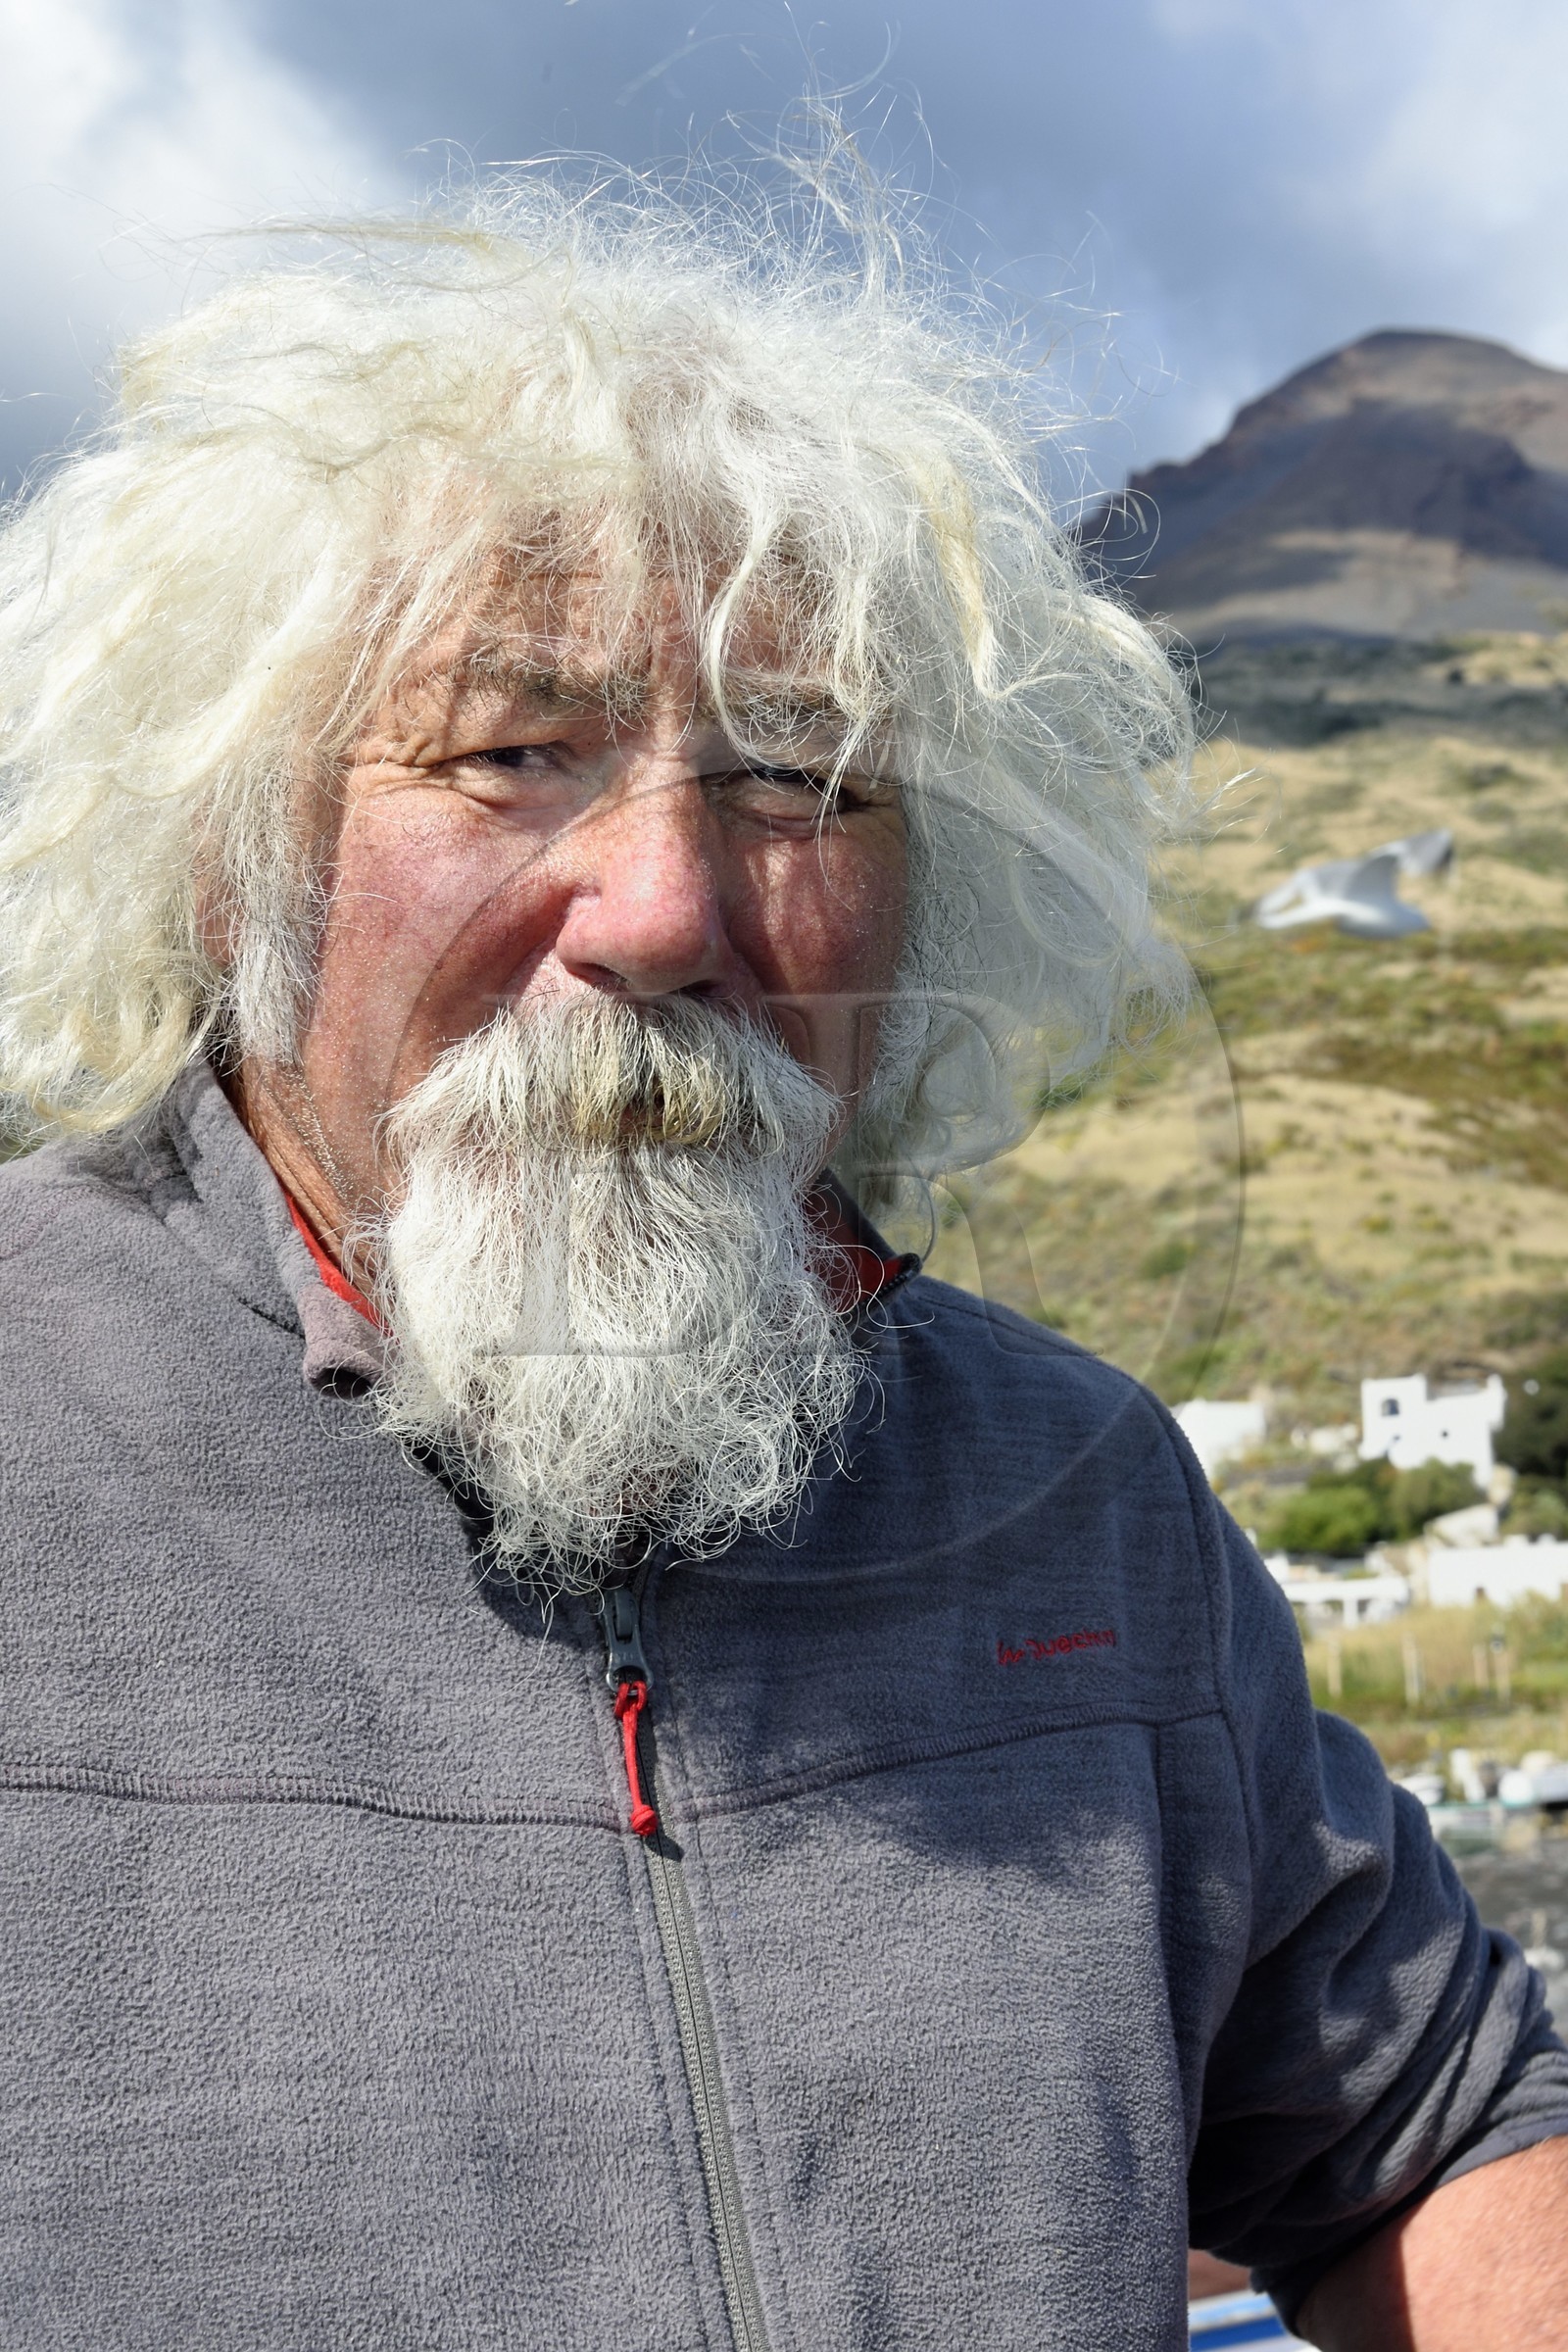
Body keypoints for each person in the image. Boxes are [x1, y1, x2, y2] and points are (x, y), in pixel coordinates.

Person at [0, 166, 1562, 2352]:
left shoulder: (1075, 1493)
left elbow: (1435, 2132)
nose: (664, 909)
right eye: (510, 752)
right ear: (234, 854)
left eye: (797, 778)